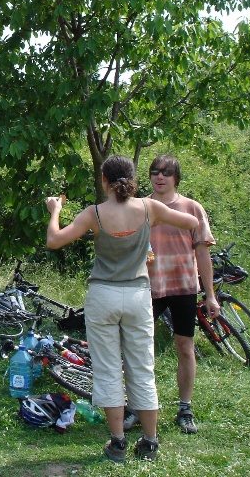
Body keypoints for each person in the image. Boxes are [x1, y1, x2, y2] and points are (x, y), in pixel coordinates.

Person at [45, 155, 199, 462]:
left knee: (107, 369)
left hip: (103, 294)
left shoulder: (94, 213)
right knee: (142, 367)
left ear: (104, 180)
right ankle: (151, 441)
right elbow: (193, 222)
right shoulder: (148, 207)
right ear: (134, 179)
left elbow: (54, 240)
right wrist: (157, 221)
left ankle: (117, 442)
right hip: (139, 294)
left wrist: (56, 210)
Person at [123, 155, 220, 435]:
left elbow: (202, 253)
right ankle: (137, 407)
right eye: (155, 172)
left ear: (176, 177)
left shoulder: (191, 208)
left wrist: (210, 295)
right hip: (145, 288)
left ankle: (185, 408)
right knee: (137, 349)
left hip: (183, 287)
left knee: (184, 347)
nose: (160, 177)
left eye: (166, 172)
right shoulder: (138, 207)